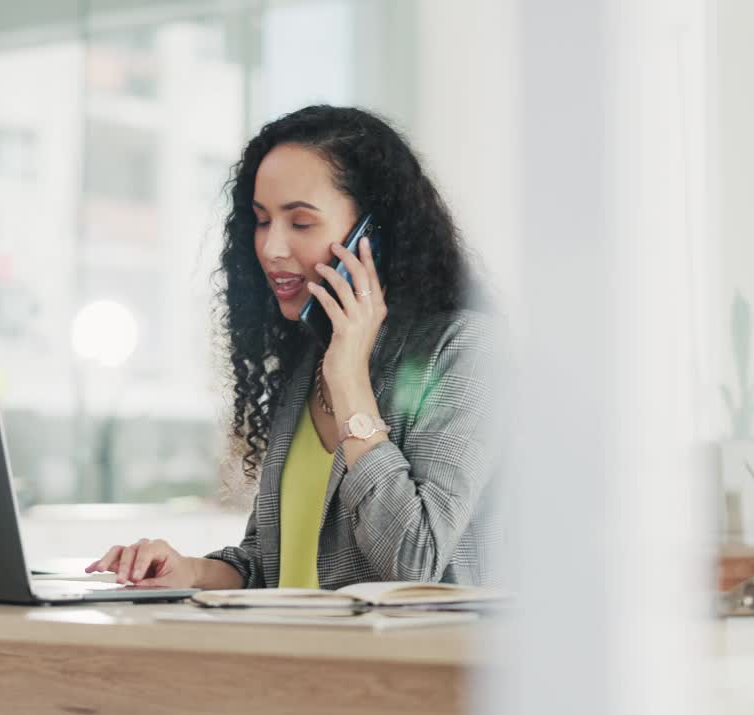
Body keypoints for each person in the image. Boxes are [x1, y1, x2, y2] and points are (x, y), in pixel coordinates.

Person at [86, 105, 504, 590]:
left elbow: (413, 561)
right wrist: (189, 570)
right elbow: (273, 564)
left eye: (301, 224)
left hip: (400, 665)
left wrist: (350, 384)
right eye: (262, 221)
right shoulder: (309, 362)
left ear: (375, 235)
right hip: (306, 659)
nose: (271, 248)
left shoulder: (464, 350)